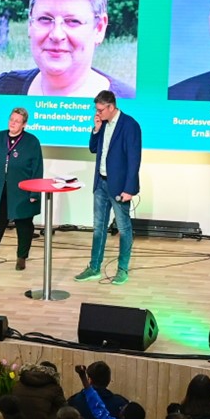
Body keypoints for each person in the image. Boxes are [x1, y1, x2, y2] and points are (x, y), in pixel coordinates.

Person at [0, 0, 132, 99]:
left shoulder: (131, 106)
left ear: (99, 28)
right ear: (30, 21)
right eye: (45, 19)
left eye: (72, 21)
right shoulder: (1, 91)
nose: (56, 35)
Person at [77, 90, 141, 286]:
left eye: (100, 110)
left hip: (120, 187)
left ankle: (122, 269)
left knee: (123, 228)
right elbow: (94, 149)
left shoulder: (130, 125)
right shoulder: (102, 124)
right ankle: (94, 267)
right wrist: (95, 129)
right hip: (101, 183)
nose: (98, 113)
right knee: (98, 227)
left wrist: (129, 189)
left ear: (111, 107)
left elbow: (134, 159)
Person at [0, 107, 45, 272]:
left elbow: (37, 169)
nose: (13, 123)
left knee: (24, 225)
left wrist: (34, 193)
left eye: (17, 121)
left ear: (24, 124)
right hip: (0, 189)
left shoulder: (32, 141)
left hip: (22, 191)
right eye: (11, 119)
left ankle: (21, 258)